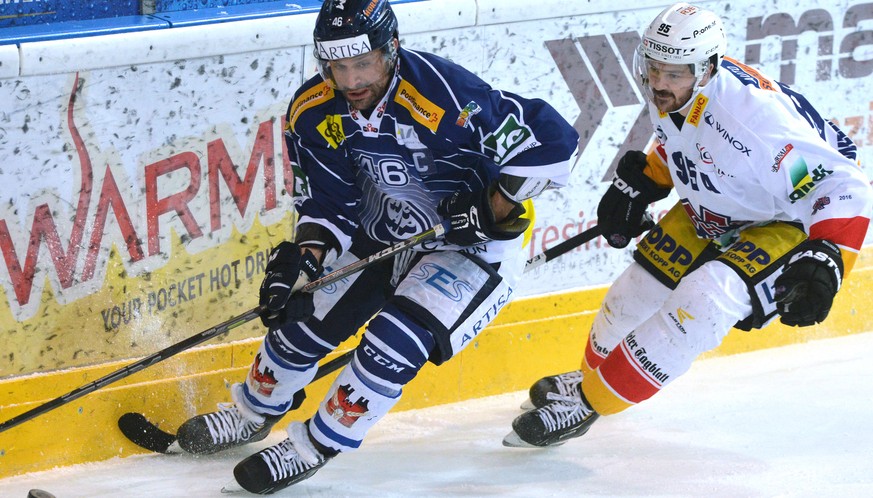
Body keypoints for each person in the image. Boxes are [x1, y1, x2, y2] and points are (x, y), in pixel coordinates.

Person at [172, 0, 579, 493]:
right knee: (299, 323)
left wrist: (493, 204)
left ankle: (312, 446)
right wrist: (302, 261)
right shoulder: (313, 112)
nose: (351, 80)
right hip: (382, 234)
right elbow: (328, 205)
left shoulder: (448, 96)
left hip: (469, 250)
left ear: (391, 50)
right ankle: (252, 413)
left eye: (362, 63)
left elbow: (555, 141)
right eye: (338, 66)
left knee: (393, 342)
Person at [505, 2, 872, 448]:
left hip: (783, 221)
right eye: (654, 67)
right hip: (719, 207)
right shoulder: (682, 87)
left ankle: (587, 401)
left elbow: (840, 183)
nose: (659, 83)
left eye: (674, 73)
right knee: (631, 295)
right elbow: (691, 141)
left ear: (707, 69)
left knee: (702, 301)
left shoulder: (755, 121)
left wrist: (827, 255)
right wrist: (646, 181)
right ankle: (591, 380)